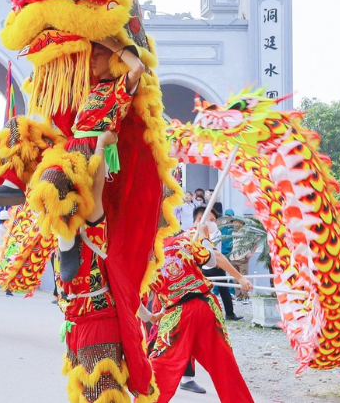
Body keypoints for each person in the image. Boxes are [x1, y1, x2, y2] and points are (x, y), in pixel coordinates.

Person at [56, 36, 145, 282]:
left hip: (98, 148)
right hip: (76, 146)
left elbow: (138, 68)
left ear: (114, 58)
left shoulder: (119, 88)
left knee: (91, 202)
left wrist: (114, 44)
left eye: (99, 53)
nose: (93, 59)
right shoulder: (91, 89)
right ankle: (67, 247)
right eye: (92, 54)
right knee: (56, 191)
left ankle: (82, 247)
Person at [146, 223, 255, 402]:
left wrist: (148, 316)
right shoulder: (184, 240)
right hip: (205, 306)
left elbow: (132, 295)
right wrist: (205, 238)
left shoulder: (142, 254)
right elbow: (213, 259)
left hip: (176, 314)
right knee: (224, 367)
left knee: (160, 369)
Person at [194, 205, 241, 320]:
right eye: (211, 220)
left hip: (215, 264)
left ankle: (229, 313)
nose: (213, 223)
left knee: (224, 290)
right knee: (201, 291)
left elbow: (216, 251)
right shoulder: (190, 235)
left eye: (214, 220)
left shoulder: (215, 232)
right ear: (200, 219)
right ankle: (204, 315)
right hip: (202, 266)